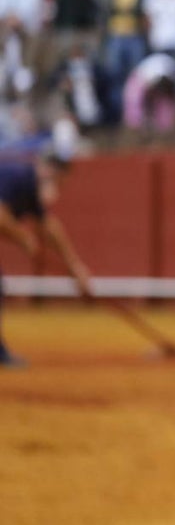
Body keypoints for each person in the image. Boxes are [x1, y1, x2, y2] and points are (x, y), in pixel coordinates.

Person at [0, 150, 94, 367]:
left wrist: (74, 267)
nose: (59, 189)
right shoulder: (18, 177)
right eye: (60, 182)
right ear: (49, 171)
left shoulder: (29, 186)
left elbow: (49, 228)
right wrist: (22, 237)